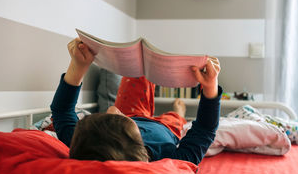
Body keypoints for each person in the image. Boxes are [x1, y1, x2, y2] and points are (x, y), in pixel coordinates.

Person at [50, 38, 222, 165]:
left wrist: (78, 65)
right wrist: (210, 88)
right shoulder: (170, 159)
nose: (112, 108)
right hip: (166, 127)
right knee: (175, 118)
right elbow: (204, 130)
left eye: (104, 116)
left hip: (131, 112)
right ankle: (179, 112)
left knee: (138, 70)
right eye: (114, 116)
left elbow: (62, 111)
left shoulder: (84, 143)